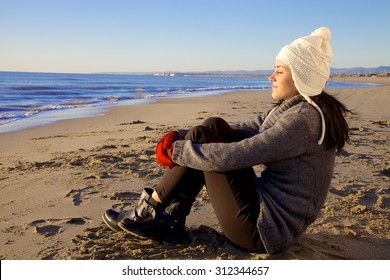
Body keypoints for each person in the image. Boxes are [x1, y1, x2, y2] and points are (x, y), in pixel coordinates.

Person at [102, 27, 350, 254]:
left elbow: (242, 154)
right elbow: (251, 128)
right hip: (269, 220)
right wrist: (179, 135)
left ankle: (147, 212)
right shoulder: (300, 109)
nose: (270, 77)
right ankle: (170, 218)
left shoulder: (303, 120)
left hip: (262, 232)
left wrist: (177, 151)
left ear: (301, 77)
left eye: (279, 70)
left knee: (204, 140)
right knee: (212, 126)